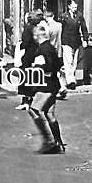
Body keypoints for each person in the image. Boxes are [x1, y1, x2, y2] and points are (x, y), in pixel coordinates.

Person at [25, 22, 65, 154]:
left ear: (37, 36)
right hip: (53, 84)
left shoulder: (43, 50)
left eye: (34, 35)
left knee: (33, 110)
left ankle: (48, 140)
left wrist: (37, 68)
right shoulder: (51, 48)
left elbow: (46, 68)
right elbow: (58, 64)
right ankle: (58, 144)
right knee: (49, 114)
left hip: (46, 86)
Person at [59, 0, 89, 92]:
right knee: (68, 61)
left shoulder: (79, 16)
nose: (75, 9)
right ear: (69, 7)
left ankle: (70, 78)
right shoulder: (64, 17)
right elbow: (61, 30)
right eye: (73, 7)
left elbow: (84, 28)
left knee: (74, 62)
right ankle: (70, 81)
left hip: (76, 41)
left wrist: (85, 39)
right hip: (66, 41)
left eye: (76, 7)